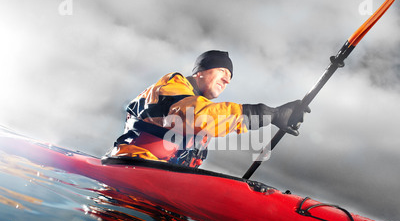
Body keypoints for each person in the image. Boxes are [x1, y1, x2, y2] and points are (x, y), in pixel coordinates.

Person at [106, 50, 310, 167]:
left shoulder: (197, 103)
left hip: (163, 184)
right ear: (200, 72)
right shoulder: (170, 89)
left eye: (230, 76)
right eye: (222, 70)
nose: (226, 79)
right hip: (132, 168)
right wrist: (270, 114)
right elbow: (197, 116)